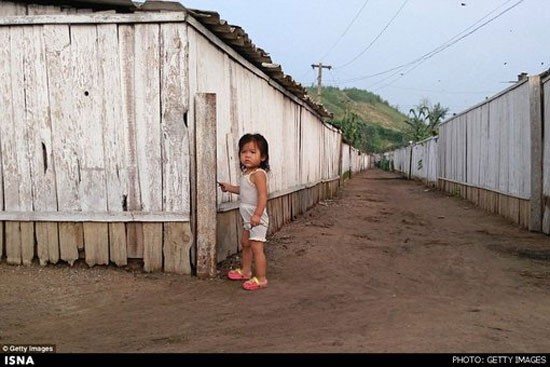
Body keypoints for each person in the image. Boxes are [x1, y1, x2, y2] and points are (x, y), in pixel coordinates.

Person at [218, 133, 270, 291]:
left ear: (263, 157)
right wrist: (229, 188)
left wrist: (257, 215)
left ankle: (261, 279)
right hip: (248, 219)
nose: (247, 155)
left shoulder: (258, 174)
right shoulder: (247, 174)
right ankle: (246, 272)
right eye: (244, 152)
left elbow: (262, 196)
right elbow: (244, 190)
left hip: (256, 219)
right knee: (245, 244)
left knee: (256, 248)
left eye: (252, 152)